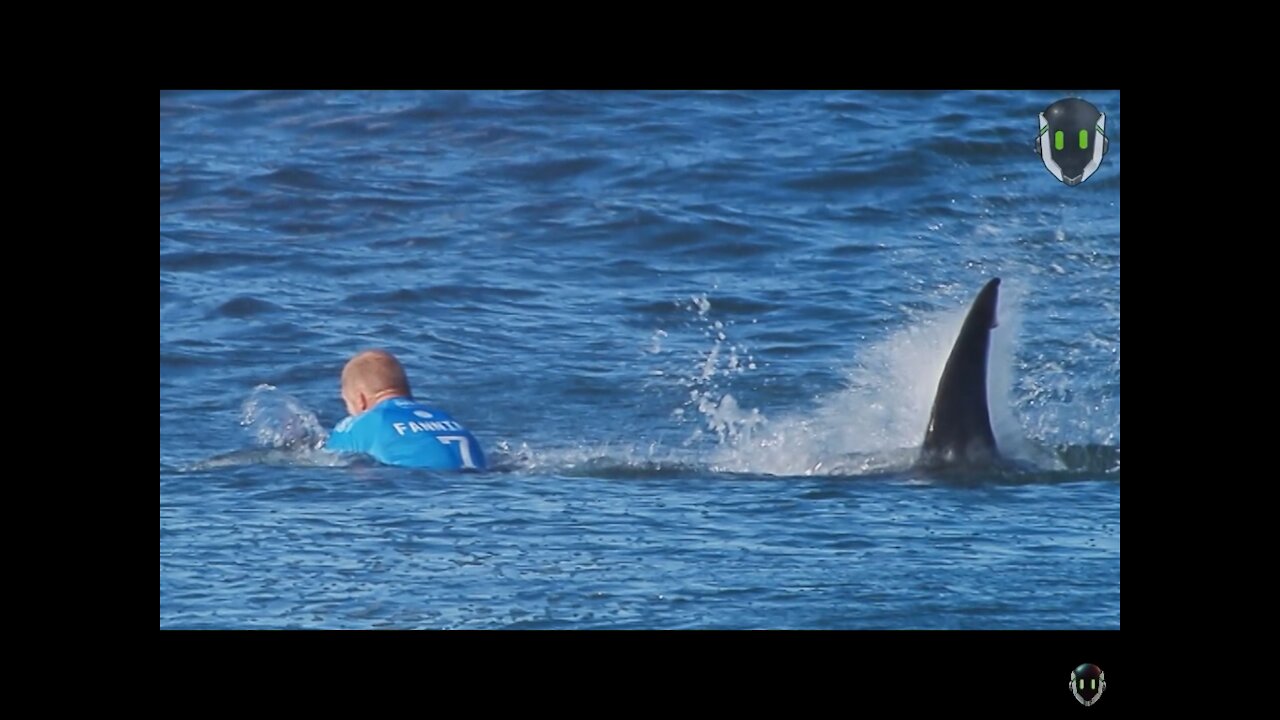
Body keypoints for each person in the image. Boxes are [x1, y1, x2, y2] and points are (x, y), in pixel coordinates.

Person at [324, 349, 486, 470]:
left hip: (419, 486)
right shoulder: (444, 417)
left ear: (361, 400)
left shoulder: (365, 422)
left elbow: (326, 461)